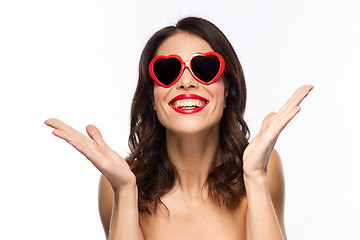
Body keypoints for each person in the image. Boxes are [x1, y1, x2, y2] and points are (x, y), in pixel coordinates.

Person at [45, 17, 313, 240]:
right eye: (167, 70)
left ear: (228, 90)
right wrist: (125, 191)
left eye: (204, 68)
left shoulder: (262, 168)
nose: (186, 82)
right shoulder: (118, 184)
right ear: (151, 97)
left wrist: (255, 176)